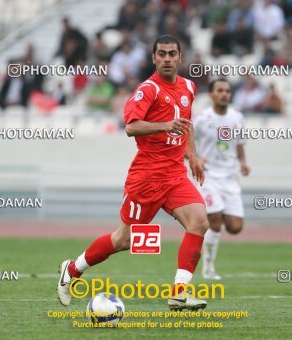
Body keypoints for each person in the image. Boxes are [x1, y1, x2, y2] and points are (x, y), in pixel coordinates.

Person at [57, 35, 209, 311]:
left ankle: (179, 293)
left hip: (175, 177)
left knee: (199, 222)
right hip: (147, 179)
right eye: (161, 54)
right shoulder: (147, 90)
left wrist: (192, 154)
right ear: (153, 58)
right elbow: (131, 126)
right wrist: (164, 126)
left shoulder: (188, 86)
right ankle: (73, 269)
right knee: (122, 240)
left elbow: (186, 124)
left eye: (171, 54)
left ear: (179, 57)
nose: (166, 58)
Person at [193, 79, 250, 280]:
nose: (224, 94)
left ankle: (214, 217)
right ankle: (208, 267)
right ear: (211, 94)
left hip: (230, 177)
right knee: (215, 222)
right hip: (208, 177)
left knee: (235, 227)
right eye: (220, 90)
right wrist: (195, 158)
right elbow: (184, 141)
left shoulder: (237, 117)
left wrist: (243, 162)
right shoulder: (201, 119)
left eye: (227, 91)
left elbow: (240, 142)